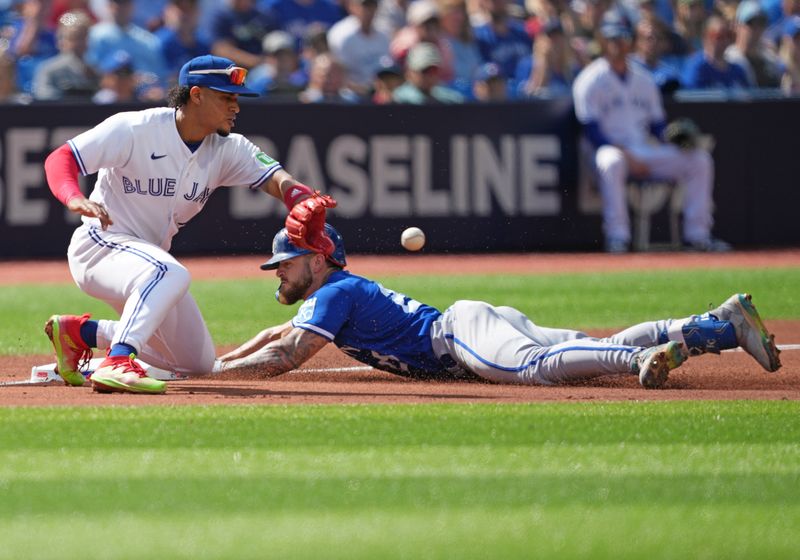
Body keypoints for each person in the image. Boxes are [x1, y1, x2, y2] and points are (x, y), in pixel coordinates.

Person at [42, 54, 336, 394]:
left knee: (195, 362)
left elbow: (276, 179)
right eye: (227, 97)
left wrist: (301, 198)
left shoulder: (228, 148)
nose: (235, 107)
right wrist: (73, 198)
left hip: (148, 263)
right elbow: (61, 157)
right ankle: (119, 361)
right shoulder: (136, 129)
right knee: (172, 273)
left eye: (237, 98)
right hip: (100, 247)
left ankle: (80, 333)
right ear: (196, 95)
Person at [215, 224, 782, 389]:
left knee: (538, 368)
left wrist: (211, 377)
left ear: (318, 259)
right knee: (571, 345)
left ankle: (639, 363)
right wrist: (217, 364)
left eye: (285, 263)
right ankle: (717, 326)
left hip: (459, 334)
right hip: (474, 325)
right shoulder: (333, 295)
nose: (278, 273)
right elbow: (277, 333)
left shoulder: (334, 292)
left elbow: (288, 355)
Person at [572, 19, 730, 253]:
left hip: (643, 148)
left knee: (699, 159)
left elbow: (657, 126)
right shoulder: (589, 80)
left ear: (630, 43)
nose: (617, 45)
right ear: (603, 43)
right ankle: (618, 237)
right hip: (609, 151)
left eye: (622, 39)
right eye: (611, 40)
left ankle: (698, 235)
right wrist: (629, 157)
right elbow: (592, 132)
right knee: (611, 160)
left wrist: (674, 138)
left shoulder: (643, 79)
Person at [326, 0, 391, 96]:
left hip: (379, 93)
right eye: (365, 5)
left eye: (373, 5)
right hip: (350, 94)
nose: (369, 10)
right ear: (352, 6)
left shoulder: (384, 34)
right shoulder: (341, 35)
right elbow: (339, 74)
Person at [32, 10, 98, 100]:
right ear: (60, 41)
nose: (78, 43)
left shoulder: (95, 69)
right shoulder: (49, 69)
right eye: (72, 38)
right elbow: (43, 96)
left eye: (82, 37)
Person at [724, 0, 783, 89]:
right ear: (737, 26)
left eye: (761, 23)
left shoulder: (770, 59)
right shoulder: (728, 59)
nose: (756, 29)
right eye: (751, 23)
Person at [681, 15, 750, 90]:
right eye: (719, 36)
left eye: (729, 35)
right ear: (706, 37)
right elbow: (690, 97)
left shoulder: (737, 70)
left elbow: (749, 97)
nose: (725, 40)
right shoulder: (697, 67)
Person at [392, 41, 465, 103]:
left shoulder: (449, 98)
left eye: (433, 70)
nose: (429, 75)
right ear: (410, 72)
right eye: (424, 70)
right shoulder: (398, 99)